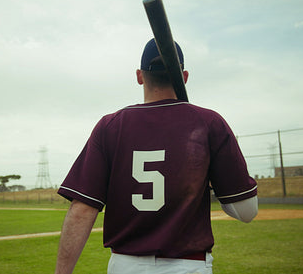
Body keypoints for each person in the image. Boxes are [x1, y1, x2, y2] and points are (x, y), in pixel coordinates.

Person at [55, 38, 258, 274]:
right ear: (184, 77)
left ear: (140, 76)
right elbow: (246, 212)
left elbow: (82, 210)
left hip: (124, 266)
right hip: (188, 267)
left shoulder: (110, 126)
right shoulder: (209, 123)